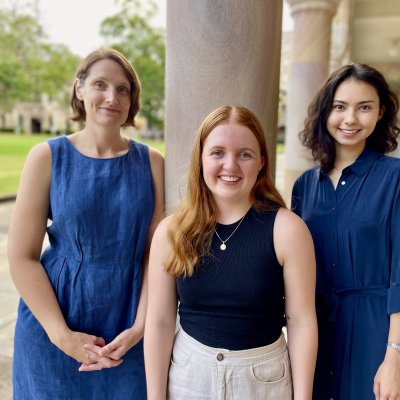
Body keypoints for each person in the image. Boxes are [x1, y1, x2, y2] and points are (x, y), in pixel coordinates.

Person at [8, 48, 164, 399]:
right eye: (100, 84)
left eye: (123, 89)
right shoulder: (47, 157)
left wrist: (141, 327)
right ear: (79, 89)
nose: (112, 97)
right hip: (54, 330)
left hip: (128, 331)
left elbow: (155, 257)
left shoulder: (153, 163)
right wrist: (61, 335)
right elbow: (21, 256)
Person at [144, 105, 317, 399]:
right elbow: (159, 321)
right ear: (200, 159)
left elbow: (301, 321)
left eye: (244, 154)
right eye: (217, 153)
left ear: (262, 162)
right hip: (188, 377)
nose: (230, 165)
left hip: (262, 381)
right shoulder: (172, 232)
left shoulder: (288, 230)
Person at [291, 63, 400, 400]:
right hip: (316, 333)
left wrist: (394, 356)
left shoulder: (394, 178)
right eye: (340, 107)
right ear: (326, 112)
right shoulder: (304, 186)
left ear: (380, 112)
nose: (350, 119)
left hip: (376, 333)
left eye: (363, 107)